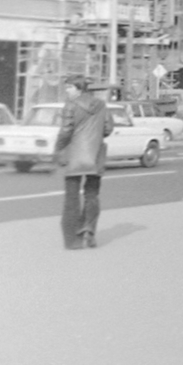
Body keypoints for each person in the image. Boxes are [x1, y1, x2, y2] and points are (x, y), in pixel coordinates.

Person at [55, 77, 112, 250]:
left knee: (72, 197)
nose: (67, 91)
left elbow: (66, 132)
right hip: (95, 155)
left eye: (70, 87)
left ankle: (73, 240)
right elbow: (108, 129)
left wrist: (58, 148)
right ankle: (89, 230)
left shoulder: (70, 105)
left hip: (75, 156)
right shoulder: (101, 105)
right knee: (92, 194)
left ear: (79, 89)